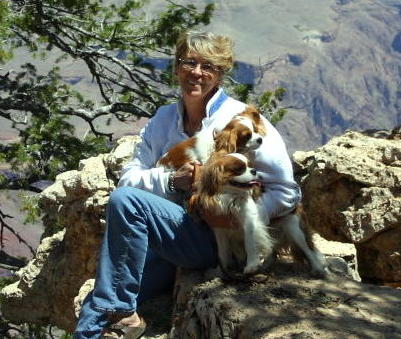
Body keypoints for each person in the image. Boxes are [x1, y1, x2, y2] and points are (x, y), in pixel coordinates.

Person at [74, 31, 301, 339]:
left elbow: (286, 191)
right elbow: (129, 176)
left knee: (126, 203)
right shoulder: (164, 118)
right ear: (177, 68)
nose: (196, 72)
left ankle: (124, 315)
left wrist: (239, 218)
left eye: (208, 66)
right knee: (100, 301)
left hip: (218, 238)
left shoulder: (239, 120)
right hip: (172, 236)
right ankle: (107, 322)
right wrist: (171, 180)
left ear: (221, 73)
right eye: (189, 63)